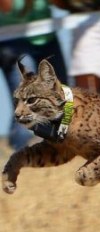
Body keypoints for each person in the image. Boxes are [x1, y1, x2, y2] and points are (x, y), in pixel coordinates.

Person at [0, 0, 68, 150]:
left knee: (60, 95)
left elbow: (62, 5)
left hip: (47, 37)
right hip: (12, 40)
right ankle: (18, 153)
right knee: (24, 99)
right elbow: (7, 8)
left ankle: (61, 147)